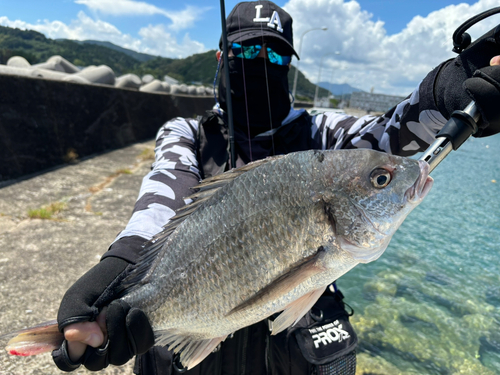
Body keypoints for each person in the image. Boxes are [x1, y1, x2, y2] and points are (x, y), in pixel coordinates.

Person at [52, 1, 500, 374]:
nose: (261, 64)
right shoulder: (185, 132)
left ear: (288, 65)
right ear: (220, 58)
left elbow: (393, 134)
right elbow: (164, 196)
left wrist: (457, 83)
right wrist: (123, 263)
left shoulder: (323, 130)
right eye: (246, 54)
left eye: (274, 56)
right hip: (197, 323)